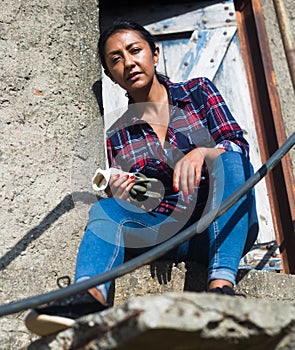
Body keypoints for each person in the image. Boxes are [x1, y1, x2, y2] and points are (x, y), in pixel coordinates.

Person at [25, 19, 259, 336]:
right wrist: (127, 190)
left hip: (223, 229)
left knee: (229, 158)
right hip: (169, 233)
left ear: (155, 53)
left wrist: (201, 153)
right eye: (116, 59)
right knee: (105, 208)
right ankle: (89, 297)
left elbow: (238, 147)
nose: (128, 63)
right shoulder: (118, 134)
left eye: (135, 50)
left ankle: (221, 287)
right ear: (110, 75)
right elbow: (152, 199)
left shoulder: (198, 92)